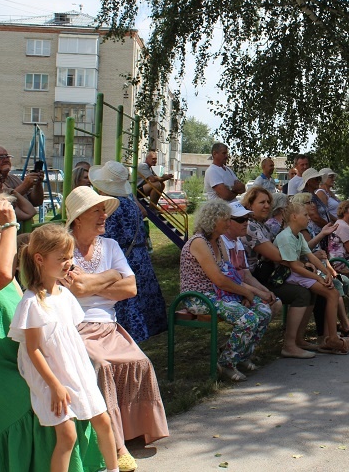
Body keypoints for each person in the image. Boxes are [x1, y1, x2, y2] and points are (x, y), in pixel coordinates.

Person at [0, 192, 104, 471]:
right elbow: (0, 276)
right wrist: (12, 225)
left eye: (4, 231)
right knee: (37, 404)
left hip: (15, 362)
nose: (4, 238)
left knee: (72, 390)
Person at [61, 186, 169, 470]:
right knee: (102, 367)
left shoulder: (110, 246)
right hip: (74, 326)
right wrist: (111, 278)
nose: (103, 215)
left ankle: (132, 431)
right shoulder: (62, 247)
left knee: (140, 361)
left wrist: (93, 282)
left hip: (108, 325)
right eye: (96, 210)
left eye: (102, 210)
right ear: (79, 218)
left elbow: (130, 288)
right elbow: (74, 291)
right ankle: (114, 443)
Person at [10, 224, 119, 472]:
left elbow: (70, 335)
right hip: (51, 376)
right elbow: (33, 350)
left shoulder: (64, 294)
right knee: (67, 435)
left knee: (103, 420)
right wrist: (55, 386)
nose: (68, 263)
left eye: (70, 257)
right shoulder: (32, 303)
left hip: (74, 369)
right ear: (40, 259)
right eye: (61, 259)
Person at [179, 199, 273, 380]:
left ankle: (242, 356)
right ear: (214, 221)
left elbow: (230, 275)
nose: (229, 223)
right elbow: (218, 279)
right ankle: (226, 363)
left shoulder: (219, 241)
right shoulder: (199, 242)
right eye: (226, 219)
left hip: (220, 293)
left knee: (263, 310)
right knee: (248, 319)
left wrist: (246, 293)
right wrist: (245, 292)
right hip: (200, 297)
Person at [91, 161, 167, 342]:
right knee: (139, 302)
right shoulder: (130, 202)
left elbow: (105, 238)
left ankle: (125, 345)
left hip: (121, 261)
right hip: (139, 258)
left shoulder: (109, 207)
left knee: (126, 307)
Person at [240, 187, 318, 359]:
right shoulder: (250, 227)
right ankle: (289, 345)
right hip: (253, 280)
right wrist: (303, 266)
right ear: (249, 204)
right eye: (262, 202)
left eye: (269, 202)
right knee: (302, 293)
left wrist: (303, 264)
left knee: (310, 292)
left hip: (263, 277)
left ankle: (298, 340)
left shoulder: (261, 226)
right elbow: (277, 256)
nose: (267, 206)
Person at [275, 201, 349, 354]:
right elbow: (294, 266)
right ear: (294, 216)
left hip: (297, 274)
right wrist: (318, 278)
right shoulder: (285, 237)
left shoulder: (297, 235)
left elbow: (311, 256)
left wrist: (327, 272)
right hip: (286, 276)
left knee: (331, 292)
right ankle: (331, 338)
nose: (309, 218)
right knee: (331, 293)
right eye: (305, 215)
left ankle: (306, 338)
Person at [290, 193, 349, 343]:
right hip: (303, 272)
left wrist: (328, 270)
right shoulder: (298, 231)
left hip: (313, 268)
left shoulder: (305, 228)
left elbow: (315, 253)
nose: (313, 205)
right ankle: (337, 331)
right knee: (333, 288)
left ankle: (331, 331)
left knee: (336, 284)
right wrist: (322, 273)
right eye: (309, 203)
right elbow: (303, 256)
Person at [221, 202, 281, 322]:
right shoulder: (221, 243)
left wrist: (265, 291)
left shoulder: (237, 241)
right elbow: (228, 280)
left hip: (239, 290)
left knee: (275, 302)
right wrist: (252, 293)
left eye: (247, 218)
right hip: (226, 293)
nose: (246, 223)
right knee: (258, 313)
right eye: (240, 219)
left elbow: (247, 275)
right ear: (227, 222)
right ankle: (247, 338)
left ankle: (252, 339)